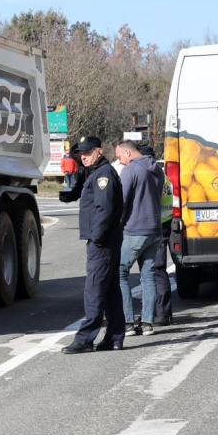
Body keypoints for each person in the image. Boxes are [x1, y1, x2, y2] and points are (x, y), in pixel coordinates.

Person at [60, 136, 126, 353]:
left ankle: (85, 339)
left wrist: (96, 237)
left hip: (102, 242)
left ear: (99, 151)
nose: (83, 157)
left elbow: (104, 210)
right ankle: (115, 337)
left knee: (94, 289)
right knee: (110, 290)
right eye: (81, 154)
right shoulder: (96, 172)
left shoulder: (103, 175)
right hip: (107, 240)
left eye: (87, 153)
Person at [114, 140, 164, 336]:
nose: (120, 162)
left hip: (135, 229)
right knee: (148, 277)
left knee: (120, 272)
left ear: (128, 152)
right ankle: (147, 323)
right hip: (155, 229)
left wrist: (117, 225)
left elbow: (122, 201)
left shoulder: (131, 170)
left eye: (119, 157)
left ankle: (127, 322)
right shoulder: (157, 169)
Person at [140, 144, 175, 326]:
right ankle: (161, 312)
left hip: (155, 226)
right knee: (156, 270)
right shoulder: (164, 176)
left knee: (155, 270)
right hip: (164, 223)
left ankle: (161, 313)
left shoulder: (153, 177)